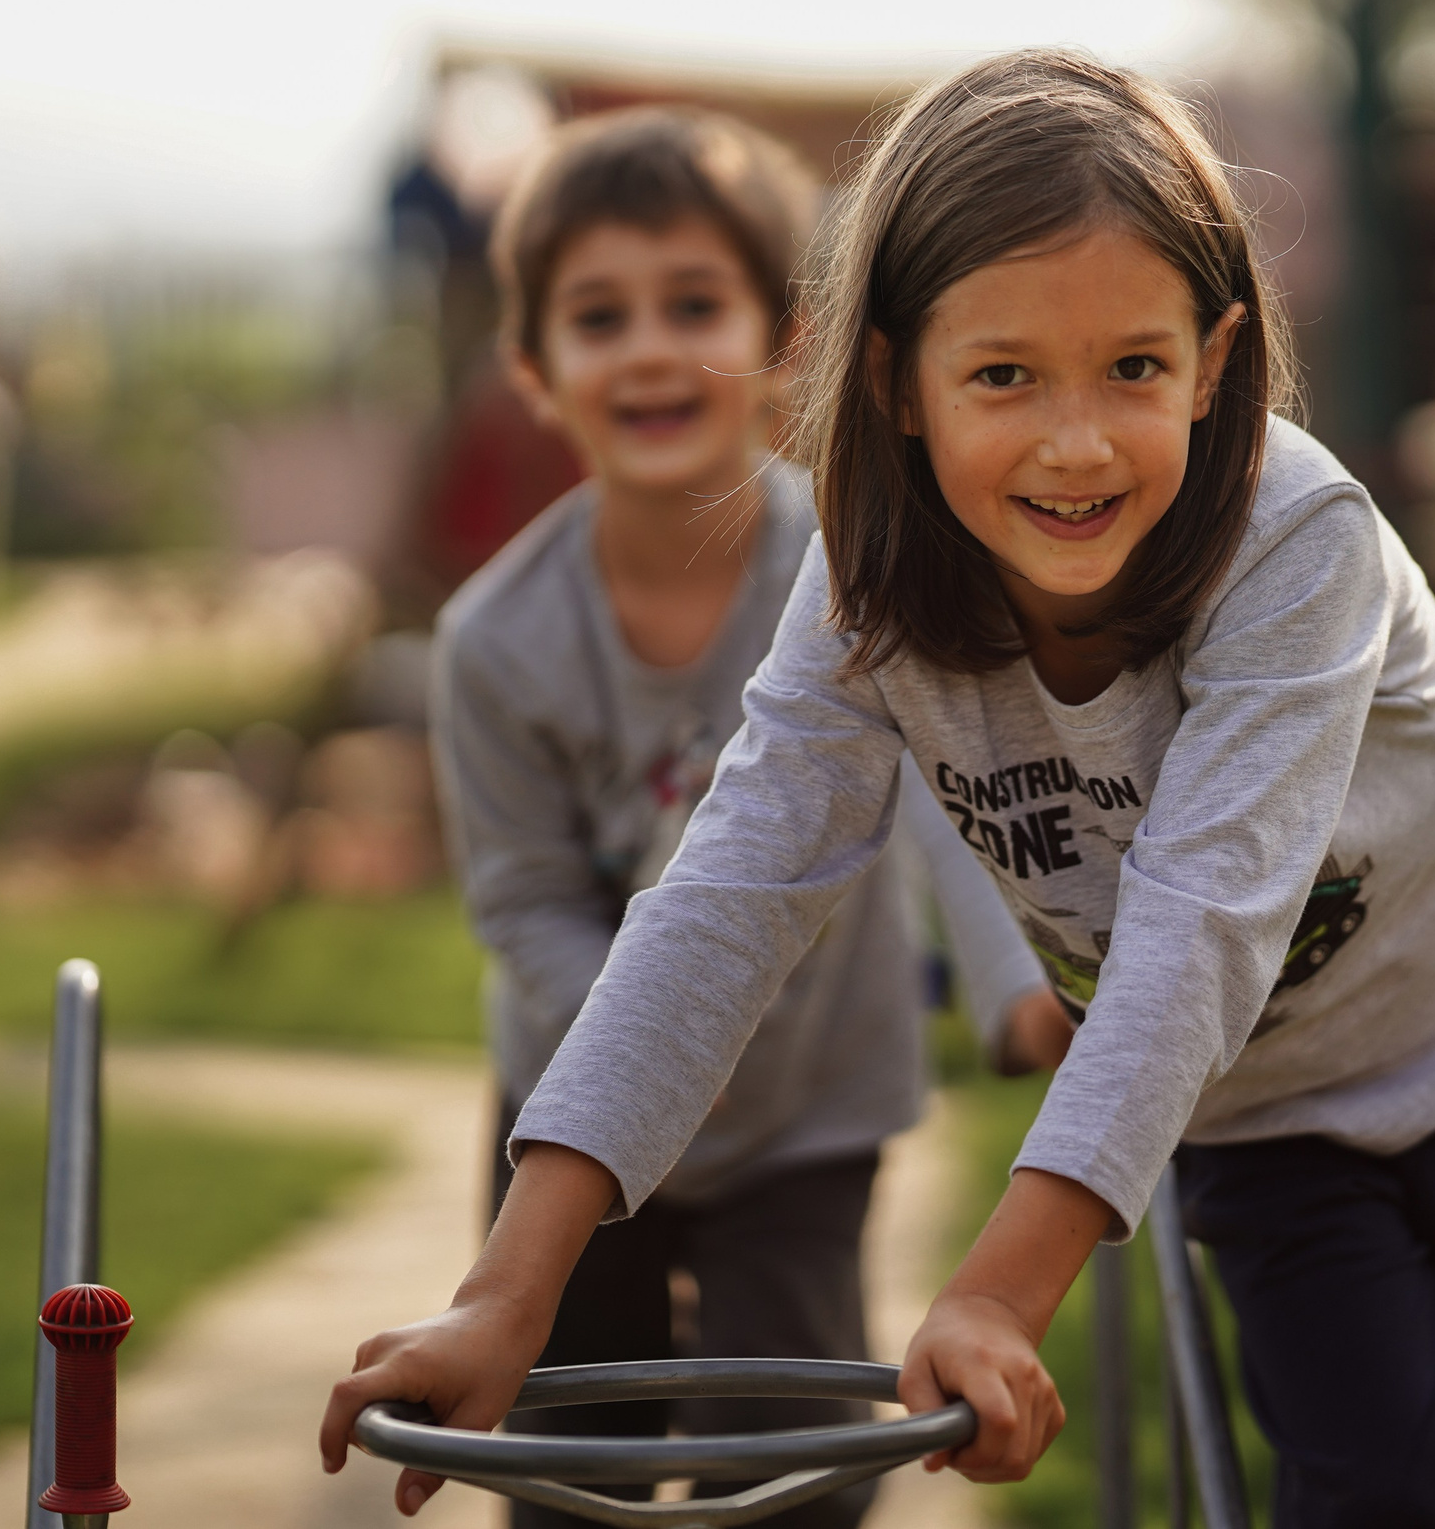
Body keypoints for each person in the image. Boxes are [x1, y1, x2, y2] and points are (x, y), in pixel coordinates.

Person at [326, 54, 1435, 1529]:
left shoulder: (1295, 541)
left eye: (1134, 368)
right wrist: (509, 1293)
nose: (1074, 443)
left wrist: (998, 1293)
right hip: (1276, 1106)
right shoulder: (868, 589)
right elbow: (723, 900)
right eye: (1003, 374)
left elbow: (1201, 922)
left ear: (1214, 363)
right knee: (1375, 1495)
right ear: (894, 378)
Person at [425, 105, 1069, 1529]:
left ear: (784, 342)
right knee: (567, 1467)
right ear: (537, 367)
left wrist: (1019, 990)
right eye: (601, 315)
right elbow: (522, 898)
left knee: (789, 1464)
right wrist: (647, 1044)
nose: (651, 345)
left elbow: (951, 812)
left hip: (804, 1112)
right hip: (574, 1111)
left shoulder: (864, 567)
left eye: (694, 303)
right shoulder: (497, 641)